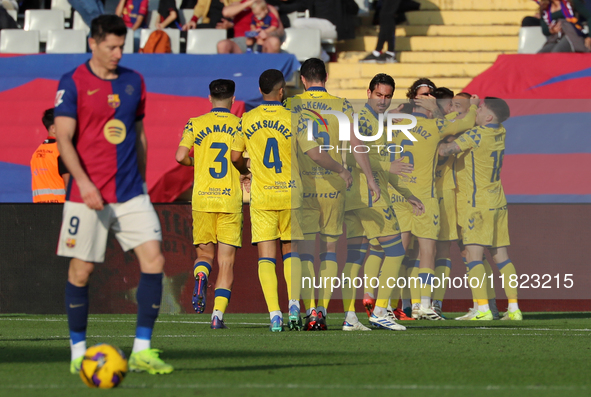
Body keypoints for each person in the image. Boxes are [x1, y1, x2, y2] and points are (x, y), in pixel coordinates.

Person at [54, 15, 173, 375]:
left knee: (154, 261)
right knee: (82, 270)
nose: (118, 53)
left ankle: (142, 350)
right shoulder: (72, 82)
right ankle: (78, 354)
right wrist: (84, 183)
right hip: (86, 194)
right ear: (93, 43)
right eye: (111, 47)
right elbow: (63, 138)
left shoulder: (134, 82)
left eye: (122, 46)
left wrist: (142, 181)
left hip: (129, 192)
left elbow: (139, 134)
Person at [231, 69, 352, 332]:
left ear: (261, 90)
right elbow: (316, 154)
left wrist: (245, 171)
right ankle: (294, 304)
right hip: (292, 194)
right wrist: (341, 169)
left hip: (262, 195)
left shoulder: (247, 118)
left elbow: (234, 156)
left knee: (266, 256)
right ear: (282, 91)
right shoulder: (294, 118)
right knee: (292, 251)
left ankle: (275, 315)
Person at [390, 81, 478, 320]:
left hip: (408, 194)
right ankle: (394, 304)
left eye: (431, 94)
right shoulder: (435, 124)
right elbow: (467, 122)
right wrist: (475, 106)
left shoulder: (396, 123)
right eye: (425, 94)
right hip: (417, 195)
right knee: (405, 252)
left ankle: (421, 305)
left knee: (417, 251)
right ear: (415, 99)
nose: (430, 97)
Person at [438, 97, 522, 321]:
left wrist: (428, 138)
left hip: (478, 204)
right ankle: (513, 308)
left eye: (481, 109)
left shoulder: (476, 135)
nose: (477, 110)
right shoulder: (500, 131)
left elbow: (445, 151)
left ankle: (483, 308)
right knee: (502, 257)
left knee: (473, 257)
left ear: (488, 117)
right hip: (499, 202)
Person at [175, 79, 242, 329]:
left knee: (204, 255)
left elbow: (180, 156)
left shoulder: (195, 123)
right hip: (229, 200)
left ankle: (201, 275)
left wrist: (196, 164)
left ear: (209, 98)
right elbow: (240, 158)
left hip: (202, 199)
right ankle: (217, 316)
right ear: (233, 100)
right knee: (226, 262)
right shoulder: (239, 124)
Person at [30, 108, 70, 203]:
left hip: (39, 210)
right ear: (53, 128)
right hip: (60, 209)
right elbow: (69, 185)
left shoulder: (36, 153)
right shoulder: (63, 150)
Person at [217, 0, 283, 53]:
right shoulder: (239, 4)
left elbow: (280, 31)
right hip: (240, 43)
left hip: (262, 42)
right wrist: (248, 3)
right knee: (222, 45)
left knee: (274, 41)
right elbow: (226, 12)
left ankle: (270, 68)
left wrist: (268, 34)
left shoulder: (268, 8)